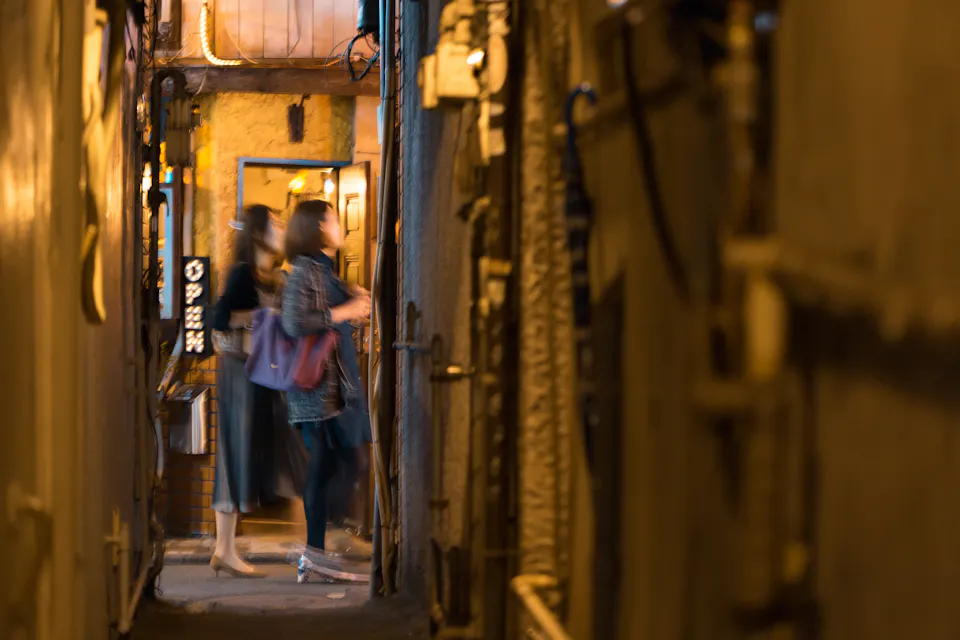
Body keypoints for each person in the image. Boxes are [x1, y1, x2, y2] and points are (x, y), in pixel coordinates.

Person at [209, 204, 307, 578]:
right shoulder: (242, 275)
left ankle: (306, 547)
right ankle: (224, 550)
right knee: (235, 453)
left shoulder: (277, 276)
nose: (281, 228)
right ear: (258, 233)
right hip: (240, 375)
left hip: (267, 377)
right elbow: (218, 317)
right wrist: (260, 318)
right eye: (275, 223)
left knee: (285, 451)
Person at [280, 199, 372, 583]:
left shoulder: (323, 271)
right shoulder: (305, 269)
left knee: (339, 465)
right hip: (319, 391)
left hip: (336, 388)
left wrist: (351, 298)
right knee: (340, 465)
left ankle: (315, 552)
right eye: (334, 219)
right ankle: (320, 547)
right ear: (319, 226)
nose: (340, 226)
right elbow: (294, 322)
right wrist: (347, 311)